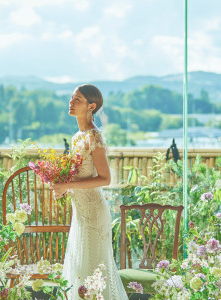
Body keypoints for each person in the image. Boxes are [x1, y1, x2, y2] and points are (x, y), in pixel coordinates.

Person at [52, 84, 128, 299]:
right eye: (72, 98)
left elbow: (105, 178)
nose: (71, 102)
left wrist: (67, 185)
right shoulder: (77, 137)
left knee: (95, 271)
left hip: (94, 214)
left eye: (77, 99)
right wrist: (63, 187)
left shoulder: (94, 137)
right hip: (80, 214)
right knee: (80, 268)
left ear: (91, 106)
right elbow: (80, 177)